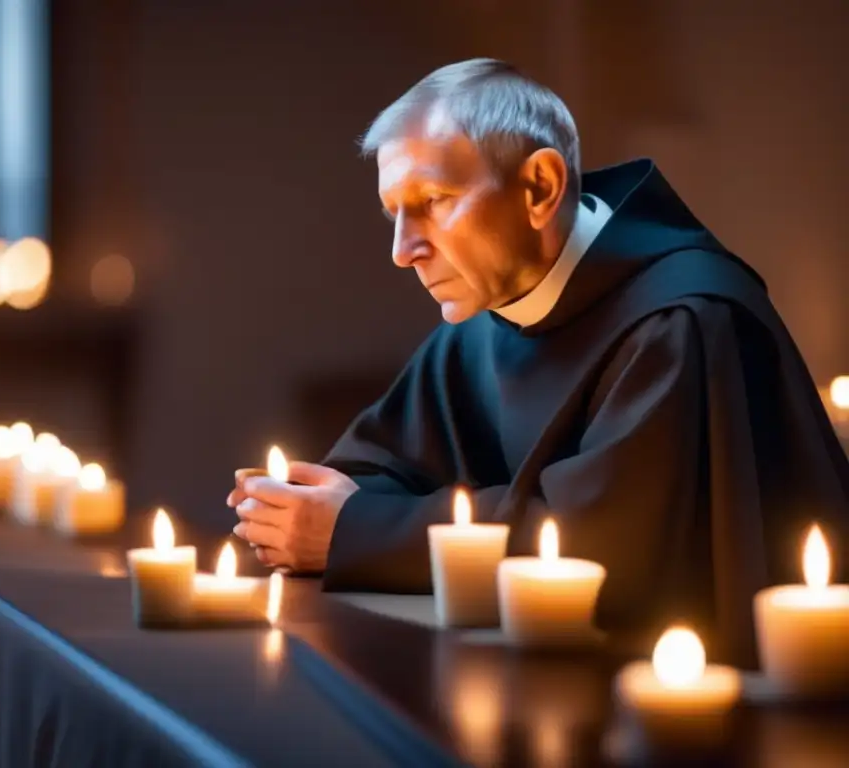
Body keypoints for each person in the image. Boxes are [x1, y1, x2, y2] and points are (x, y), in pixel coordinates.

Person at [227, 59, 849, 664]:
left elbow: (601, 553)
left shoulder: (680, 320)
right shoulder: (486, 320)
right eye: (395, 214)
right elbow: (373, 470)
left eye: (434, 201)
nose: (403, 251)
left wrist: (356, 531)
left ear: (540, 188)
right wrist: (306, 511)